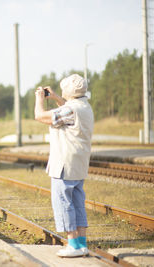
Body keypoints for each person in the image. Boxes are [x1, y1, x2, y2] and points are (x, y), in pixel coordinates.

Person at [34, 74, 94, 257]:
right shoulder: (85, 107)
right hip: (79, 164)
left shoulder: (69, 111)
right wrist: (57, 98)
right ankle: (81, 244)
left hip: (64, 164)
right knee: (77, 203)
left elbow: (40, 116)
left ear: (68, 91)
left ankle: (72, 245)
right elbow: (68, 109)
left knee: (63, 202)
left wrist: (40, 100)